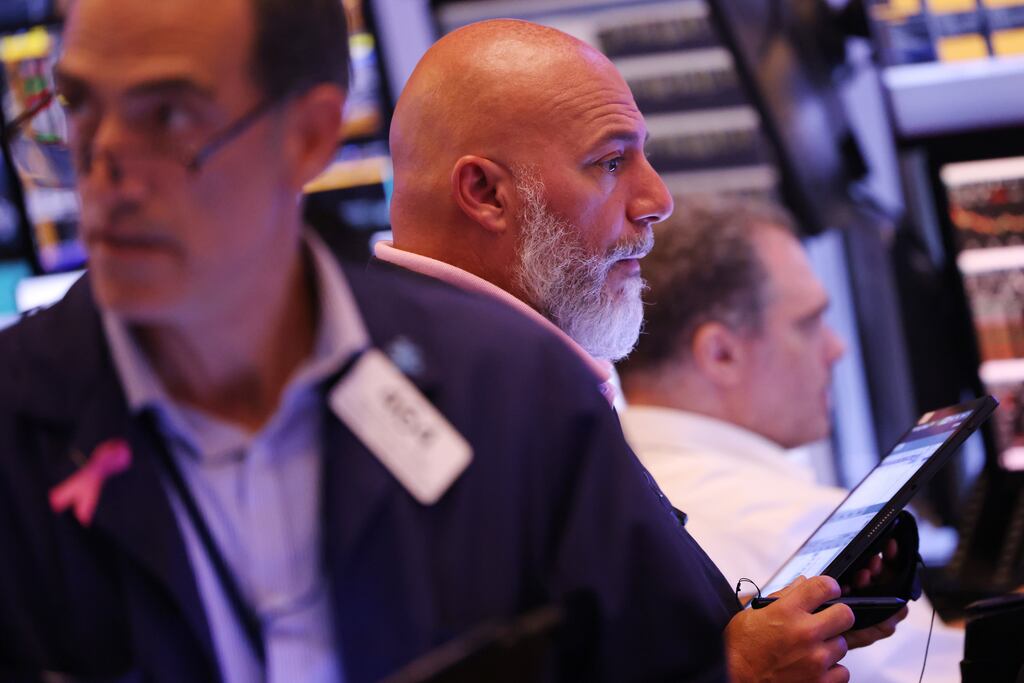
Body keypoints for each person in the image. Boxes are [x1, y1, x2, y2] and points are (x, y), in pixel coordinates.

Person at [0, 1, 751, 681]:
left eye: (166, 115)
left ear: (309, 136)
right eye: (79, 109)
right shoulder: (14, 427)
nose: (105, 169)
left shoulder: (516, 394)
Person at [382, 19, 904, 683]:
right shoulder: (435, 401)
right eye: (610, 161)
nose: (658, 199)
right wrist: (739, 671)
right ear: (485, 192)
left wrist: (754, 629)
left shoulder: (510, 370)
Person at [618, 194, 964, 682]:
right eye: (809, 322)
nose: (836, 348)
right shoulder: (787, 519)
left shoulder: (610, 504)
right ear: (721, 355)